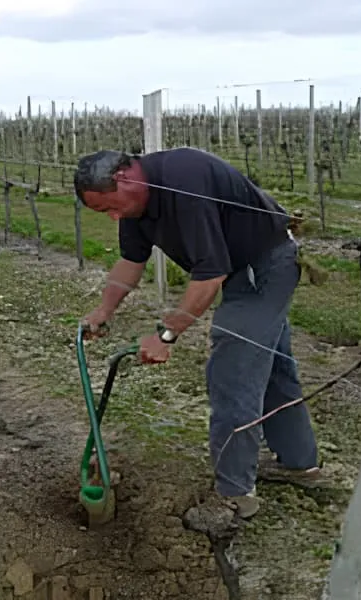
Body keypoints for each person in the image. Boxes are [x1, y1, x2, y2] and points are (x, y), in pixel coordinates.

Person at [74, 147, 323, 519]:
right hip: (240, 268)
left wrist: (166, 336)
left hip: (265, 266)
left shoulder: (183, 182)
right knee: (269, 367)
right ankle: (300, 464)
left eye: (109, 207)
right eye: (101, 212)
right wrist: (103, 311)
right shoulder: (135, 203)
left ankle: (234, 496)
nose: (112, 216)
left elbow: (210, 274)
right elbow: (130, 260)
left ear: (125, 178)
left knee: (233, 371)